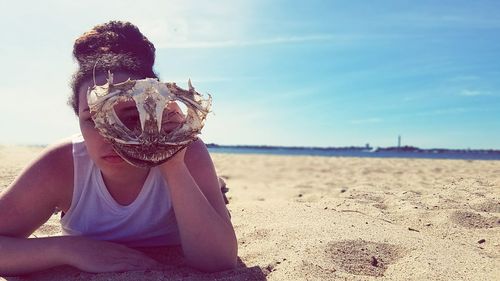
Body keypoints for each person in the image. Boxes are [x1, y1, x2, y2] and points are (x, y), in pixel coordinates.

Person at [0, 21, 237, 276]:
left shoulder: (187, 151)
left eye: (131, 115)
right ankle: (216, 187)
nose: (110, 137)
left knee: (209, 191)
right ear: (78, 119)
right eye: (93, 119)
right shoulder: (61, 164)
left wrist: (172, 163)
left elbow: (219, 262)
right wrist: (69, 249)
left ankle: (216, 186)